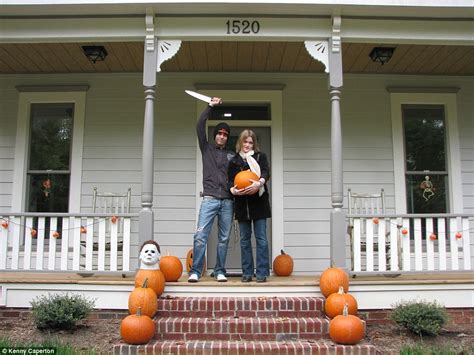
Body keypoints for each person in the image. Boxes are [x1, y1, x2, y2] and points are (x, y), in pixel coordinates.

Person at [188, 97, 235, 283]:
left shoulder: (231, 155)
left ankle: (220, 270)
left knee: (223, 238)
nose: (222, 136)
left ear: (227, 137)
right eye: (219, 133)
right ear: (215, 135)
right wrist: (210, 107)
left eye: (225, 134)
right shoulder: (206, 148)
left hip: (227, 201)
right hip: (209, 199)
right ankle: (196, 271)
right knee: (201, 236)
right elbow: (200, 125)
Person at [228, 129, 271, 283]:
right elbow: (230, 180)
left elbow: (266, 172)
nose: (247, 145)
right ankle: (247, 273)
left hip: (259, 203)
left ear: (254, 144)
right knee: (245, 240)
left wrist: (259, 183)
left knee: (261, 239)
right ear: (240, 142)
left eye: (250, 142)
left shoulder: (260, 157)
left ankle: (261, 273)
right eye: (245, 141)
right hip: (242, 204)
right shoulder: (234, 161)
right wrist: (233, 190)